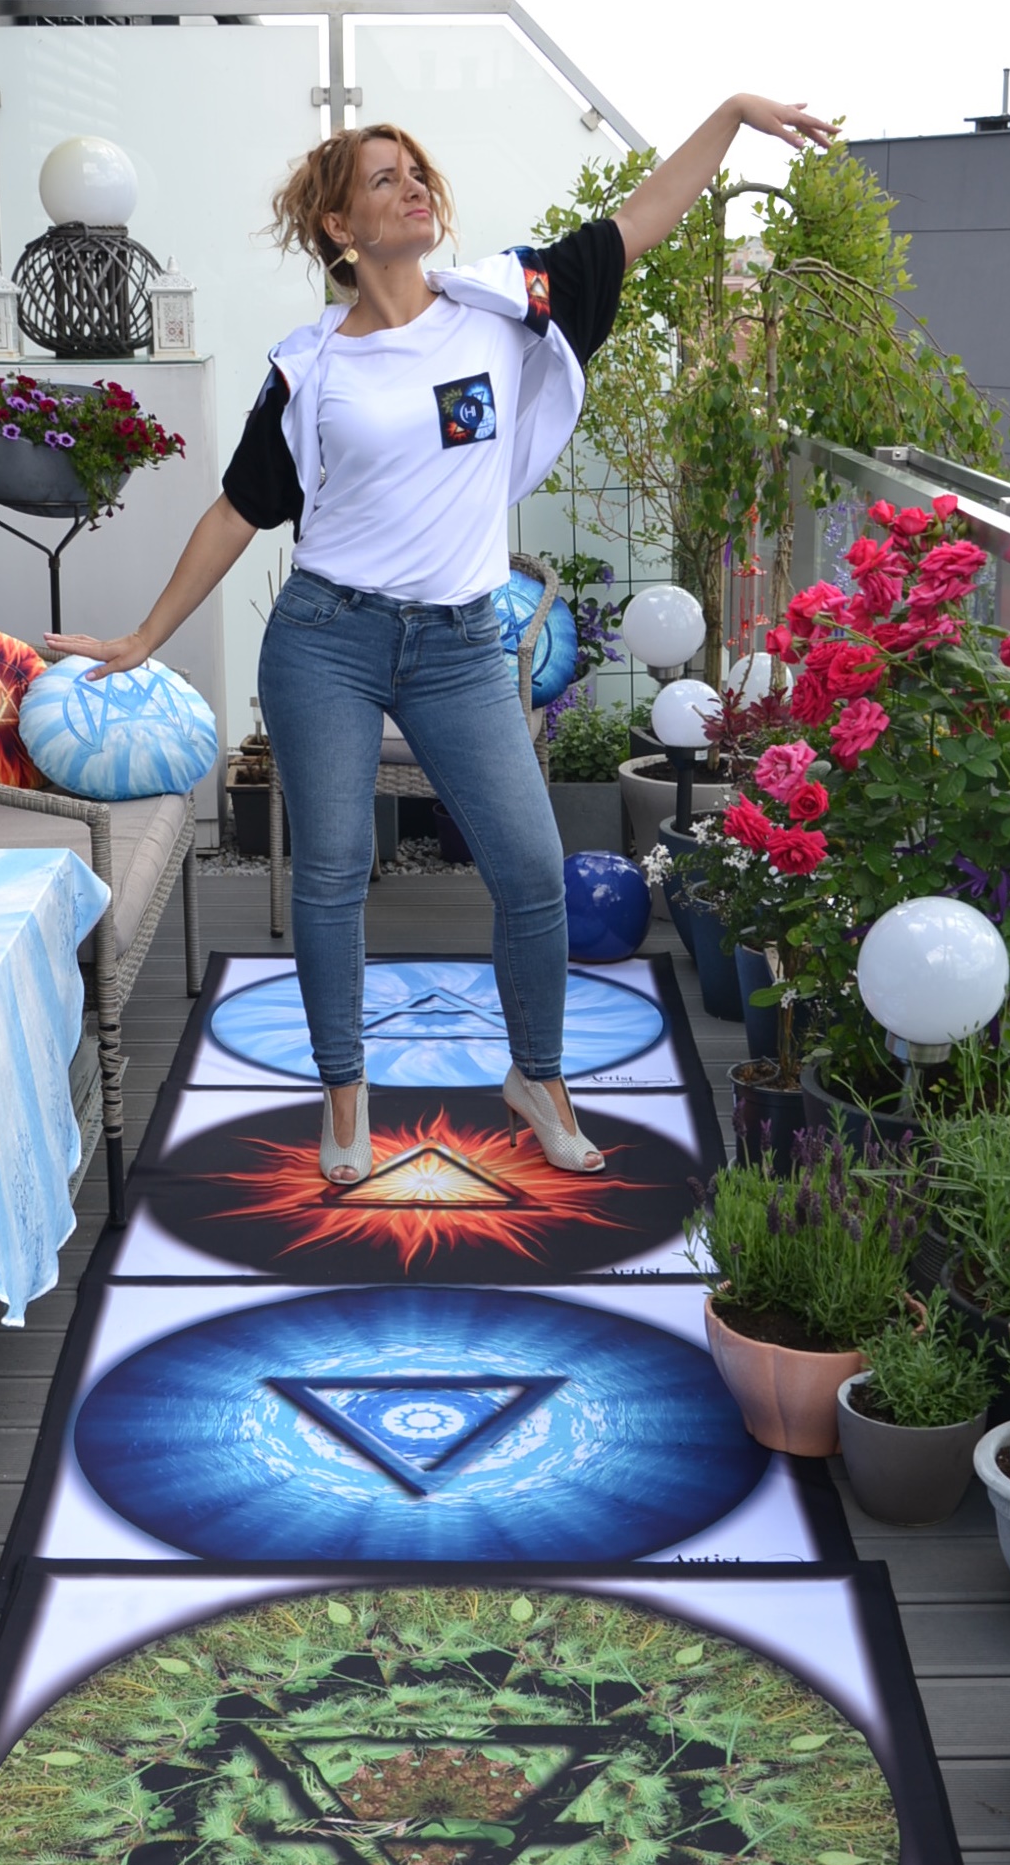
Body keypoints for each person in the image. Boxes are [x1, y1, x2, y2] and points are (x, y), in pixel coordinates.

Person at [48, 94, 835, 1184]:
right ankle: (344, 1088)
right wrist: (145, 634)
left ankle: (537, 1075)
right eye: (384, 179)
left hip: (462, 645)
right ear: (339, 226)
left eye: (416, 171)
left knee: (531, 871)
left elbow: (639, 220)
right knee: (332, 872)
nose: (413, 186)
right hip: (326, 638)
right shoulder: (310, 367)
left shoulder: (503, 308)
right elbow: (239, 508)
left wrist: (733, 115)